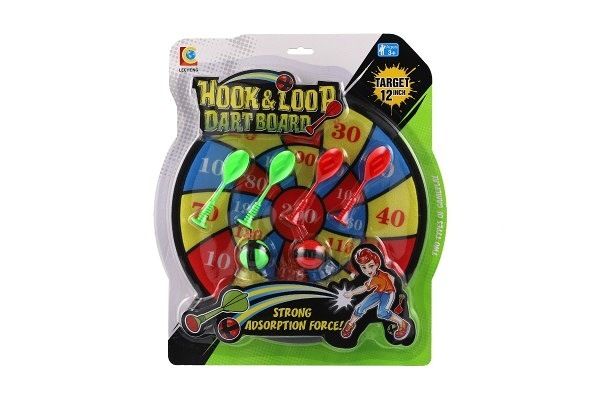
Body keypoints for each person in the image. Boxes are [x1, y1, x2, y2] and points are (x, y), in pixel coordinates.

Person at [341, 247, 410, 340]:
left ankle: (402, 323)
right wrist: (352, 292)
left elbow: (364, 288)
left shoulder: (379, 276)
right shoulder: (373, 278)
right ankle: (350, 323)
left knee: (382, 312)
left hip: (388, 293)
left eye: (371, 266)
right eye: (363, 267)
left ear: (377, 265)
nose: (368, 270)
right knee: (360, 307)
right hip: (378, 292)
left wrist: (352, 293)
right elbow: (365, 287)